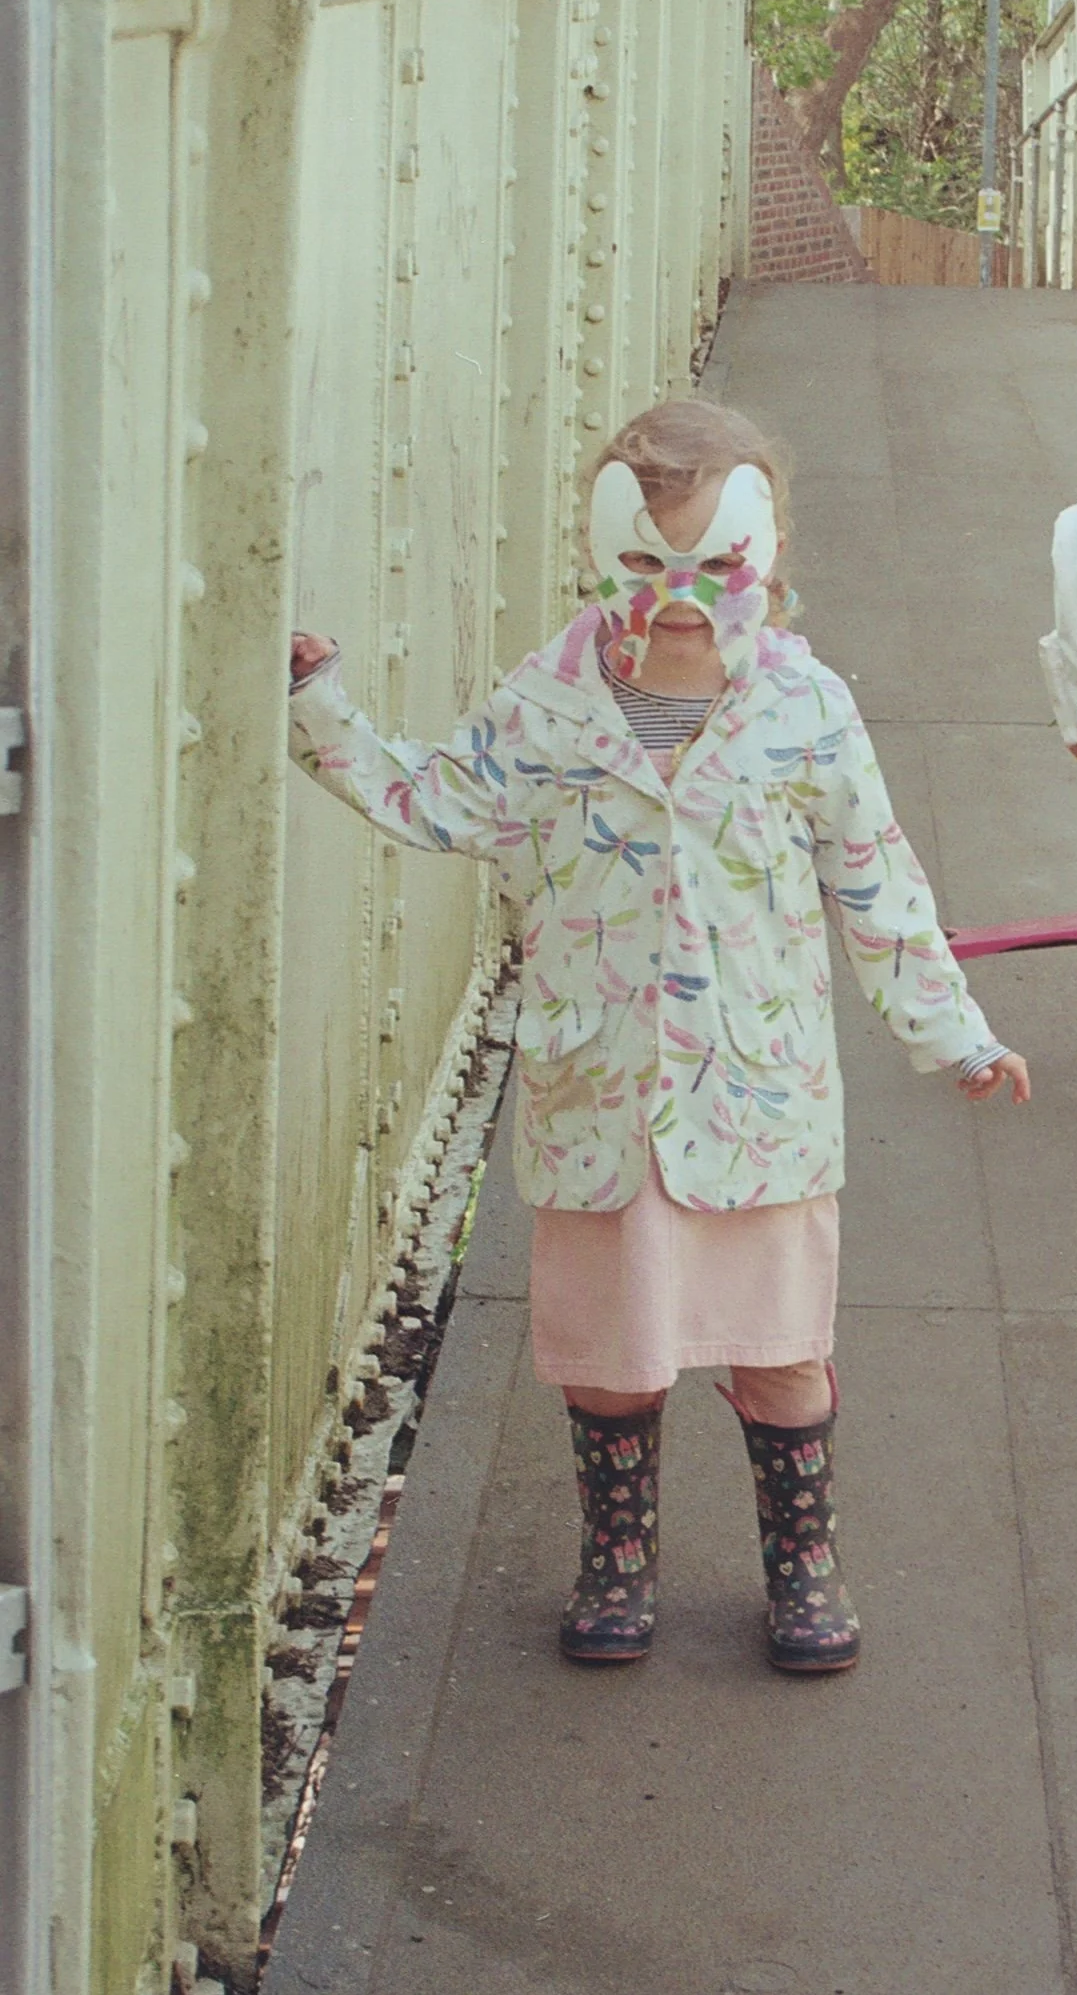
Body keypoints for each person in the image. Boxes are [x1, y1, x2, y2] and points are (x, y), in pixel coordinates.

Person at [287, 399, 1029, 1675]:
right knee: (614, 1364)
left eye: (713, 566)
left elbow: (873, 881)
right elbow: (435, 800)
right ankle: (615, 1559)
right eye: (642, 565)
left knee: (780, 1354)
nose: (677, 597)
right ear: (601, 555)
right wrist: (321, 709)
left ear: (771, 555)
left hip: (759, 1092)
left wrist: (950, 1033)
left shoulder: (804, 705)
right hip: (603, 1092)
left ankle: (803, 1563)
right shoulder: (549, 702)